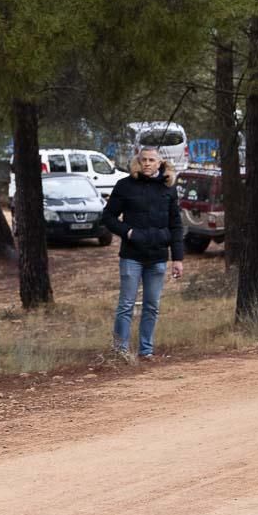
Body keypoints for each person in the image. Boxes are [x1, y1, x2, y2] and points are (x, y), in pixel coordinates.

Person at [102, 147, 185, 359]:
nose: (147, 163)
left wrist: (178, 258)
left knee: (152, 306)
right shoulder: (125, 186)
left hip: (158, 256)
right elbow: (108, 217)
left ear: (160, 164)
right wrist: (128, 232)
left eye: (152, 160)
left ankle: (145, 351)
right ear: (138, 162)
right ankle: (120, 351)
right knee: (126, 305)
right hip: (131, 256)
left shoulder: (168, 188)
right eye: (144, 160)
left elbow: (176, 224)